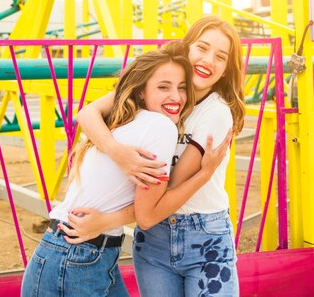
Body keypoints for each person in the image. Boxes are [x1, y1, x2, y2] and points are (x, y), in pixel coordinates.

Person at [21, 41, 231, 297]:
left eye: (182, 88)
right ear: (141, 92)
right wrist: (205, 174)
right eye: (164, 87)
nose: (176, 97)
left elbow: (86, 113)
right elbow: (148, 215)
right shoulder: (160, 127)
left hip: (73, 251)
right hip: (77, 256)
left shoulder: (121, 119)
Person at [71, 16, 245, 297]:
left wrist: (106, 221)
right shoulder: (161, 87)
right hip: (153, 241)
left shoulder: (216, 112)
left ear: (226, 70)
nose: (208, 60)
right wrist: (118, 153)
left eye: (221, 57)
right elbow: (87, 114)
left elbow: (168, 190)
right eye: (202, 48)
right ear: (187, 48)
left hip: (203, 237)